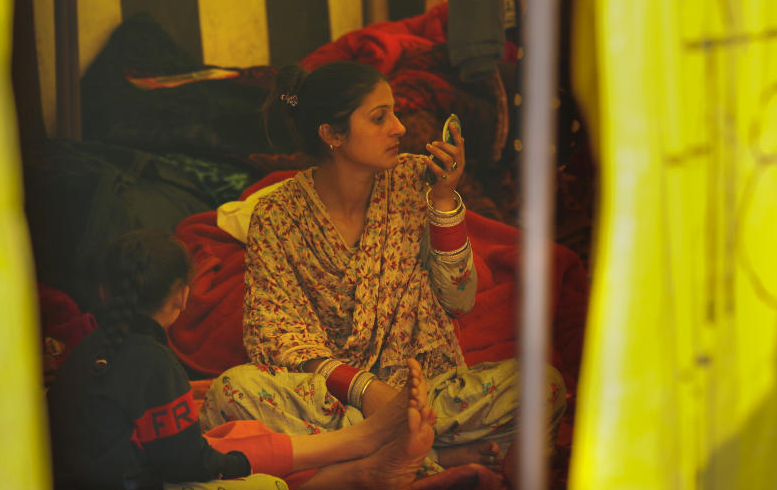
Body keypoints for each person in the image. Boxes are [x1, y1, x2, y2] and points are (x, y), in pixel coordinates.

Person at [200, 61, 566, 474]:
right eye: (380, 118)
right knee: (232, 392)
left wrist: (444, 199)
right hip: (331, 402)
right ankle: (424, 458)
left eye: (393, 112)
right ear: (332, 135)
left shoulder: (416, 182)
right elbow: (274, 334)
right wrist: (364, 388)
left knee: (543, 385)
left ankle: (404, 456)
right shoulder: (277, 214)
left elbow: (460, 301)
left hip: (427, 396)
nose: (399, 128)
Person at [46, 229, 438, 490]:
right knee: (264, 484)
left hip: (145, 466)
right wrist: (239, 465)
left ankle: (359, 456)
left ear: (102, 291)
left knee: (236, 426)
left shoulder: (80, 353)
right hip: (155, 476)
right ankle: (359, 462)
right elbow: (183, 465)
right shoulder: (155, 365)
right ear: (182, 296)